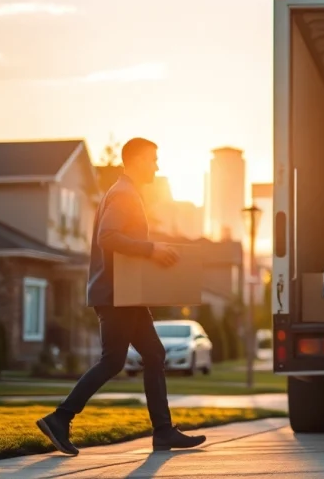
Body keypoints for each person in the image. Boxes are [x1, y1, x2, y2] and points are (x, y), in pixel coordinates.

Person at [36, 138, 207, 455]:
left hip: (126, 294)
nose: (156, 165)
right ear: (137, 159)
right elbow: (108, 237)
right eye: (153, 159)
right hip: (116, 294)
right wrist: (151, 249)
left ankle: (163, 431)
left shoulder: (126, 193)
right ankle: (60, 418)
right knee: (113, 360)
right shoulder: (124, 194)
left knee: (154, 354)